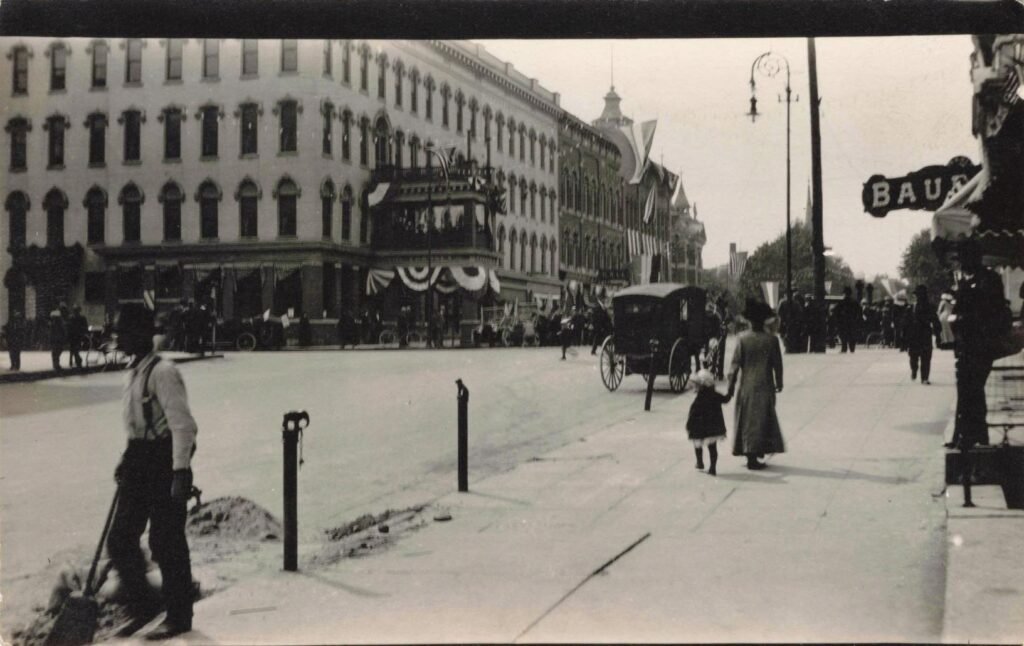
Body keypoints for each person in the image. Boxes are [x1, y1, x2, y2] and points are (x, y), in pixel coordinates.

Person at [107, 303, 197, 639]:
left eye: (122, 332)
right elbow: (136, 425)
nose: (117, 338)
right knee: (120, 539)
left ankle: (179, 615)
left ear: (141, 334)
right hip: (139, 458)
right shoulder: (133, 372)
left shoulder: (163, 372)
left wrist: (180, 473)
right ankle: (144, 605)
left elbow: (183, 426)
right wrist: (126, 458)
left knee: (166, 540)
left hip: (163, 461)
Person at [727, 299, 785, 470]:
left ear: (749, 321)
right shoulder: (771, 340)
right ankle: (754, 456)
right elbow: (777, 364)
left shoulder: (742, 339)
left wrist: (730, 388)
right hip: (765, 384)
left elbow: (734, 366)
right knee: (762, 418)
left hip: (746, 385)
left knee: (748, 419)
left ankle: (751, 452)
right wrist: (779, 382)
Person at [687, 369, 730, 476]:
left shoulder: (699, 397)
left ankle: (700, 462)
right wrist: (731, 391)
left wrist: (689, 424)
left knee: (697, 444)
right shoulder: (715, 394)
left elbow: (693, 412)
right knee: (712, 447)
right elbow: (726, 399)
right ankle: (712, 468)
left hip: (699, 426)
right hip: (712, 427)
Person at [904, 286, 942, 384]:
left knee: (924, 357)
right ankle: (916, 371)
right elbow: (906, 323)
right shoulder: (912, 307)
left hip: (921, 335)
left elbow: (935, 321)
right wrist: (938, 335)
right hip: (918, 335)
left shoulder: (926, 307)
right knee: (916, 357)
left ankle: (924, 377)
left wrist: (938, 335)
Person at [835, 286, 862, 353]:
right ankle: (852, 348)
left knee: (843, 336)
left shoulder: (841, 302)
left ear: (844, 293)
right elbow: (859, 312)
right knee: (851, 335)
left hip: (843, 322)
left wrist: (838, 320)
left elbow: (836, 312)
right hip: (852, 321)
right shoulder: (855, 302)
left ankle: (844, 348)